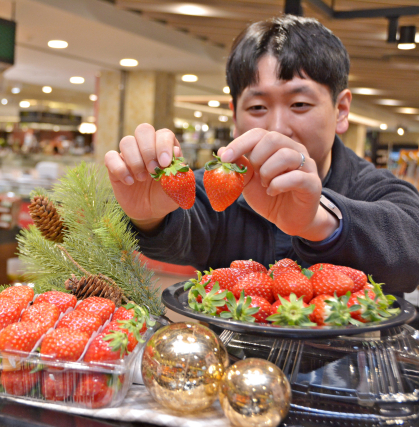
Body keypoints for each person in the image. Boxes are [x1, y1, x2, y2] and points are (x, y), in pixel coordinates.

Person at [104, 15, 419, 296]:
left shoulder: (377, 188)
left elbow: (410, 254)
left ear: (341, 110)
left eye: (299, 104)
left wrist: (318, 220)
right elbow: (182, 226)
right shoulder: (218, 188)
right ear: (234, 115)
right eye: (257, 107)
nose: (278, 128)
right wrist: (147, 216)